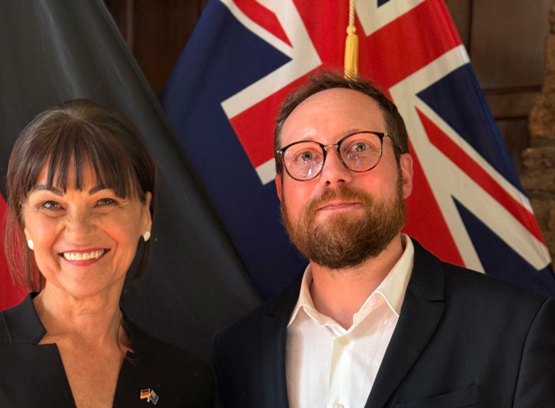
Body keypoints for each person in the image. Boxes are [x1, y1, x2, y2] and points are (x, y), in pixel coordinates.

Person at [213, 72, 555, 408]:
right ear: (282, 191)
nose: (332, 173)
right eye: (305, 157)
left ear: (403, 175)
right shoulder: (238, 353)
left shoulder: (518, 332)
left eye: (359, 147)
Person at [0, 99, 214, 407]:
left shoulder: (185, 383)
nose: (79, 230)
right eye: (51, 205)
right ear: (24, 221)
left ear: (145, 212)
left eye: (105, 201)